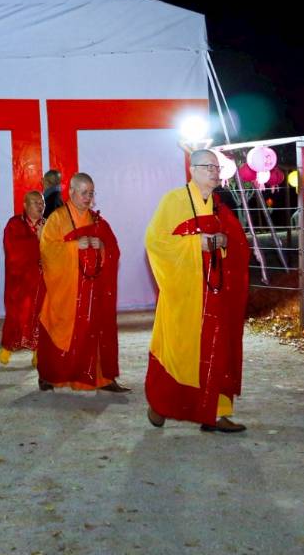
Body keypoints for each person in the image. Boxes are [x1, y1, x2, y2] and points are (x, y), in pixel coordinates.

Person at [143, 150, 251, 432]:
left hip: (216, 293)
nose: (215, 172)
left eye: (217, 168)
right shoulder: (174, 201)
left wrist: (224, 241)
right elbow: (155, 243)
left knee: (218, 348)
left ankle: (216, 412)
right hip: (186, 292)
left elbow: (238, 245)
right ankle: (161, 405)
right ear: (192, 170)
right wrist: (195, 243)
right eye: (209, 167)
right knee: (180, 351)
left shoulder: (219, 206)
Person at [36, 172, 127, 393]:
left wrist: (102, 246)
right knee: (60, 329)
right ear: (71, 192)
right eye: (84, 193)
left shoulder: (97, 221)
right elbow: (47, 251)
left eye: (91, 193)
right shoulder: (57, 218)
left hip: (93, 290)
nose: (88, 198)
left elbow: (114, 249)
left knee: (97, 330)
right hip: (67, 289)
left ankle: (102, 378)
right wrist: (73, 246)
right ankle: (52, 376)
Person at [0, 190, 46, 365]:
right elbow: (13, 249)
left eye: (42, 203)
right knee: (16, 315)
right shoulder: (14, 224)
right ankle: (7, 347)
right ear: (25, 205)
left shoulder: (48, 224)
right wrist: (38, 241)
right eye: (35, 203)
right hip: (19, 281)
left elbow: (57, 249)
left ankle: (38, 351)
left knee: (40, 315)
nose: (40, 206)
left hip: (41, 281)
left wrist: (46, 240)